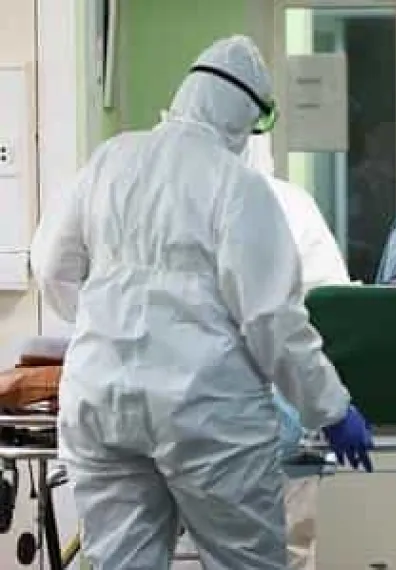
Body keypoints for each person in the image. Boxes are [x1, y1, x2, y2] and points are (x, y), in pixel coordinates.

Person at [29, 36, 372, 570]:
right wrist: (329, 408)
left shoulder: (112, 159)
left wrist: (102, 323)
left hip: (102, 405)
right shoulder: (238, 186)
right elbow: (273, 321)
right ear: (246, 116)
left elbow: (51, 265)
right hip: (207, 417)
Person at [242, 132, 350, 570]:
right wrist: (329, 405)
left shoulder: (155, 200)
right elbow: (330, 317)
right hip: (278, 415)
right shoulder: (289, 206)